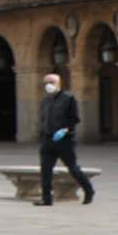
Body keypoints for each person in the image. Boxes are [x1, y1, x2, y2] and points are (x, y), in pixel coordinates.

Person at [36, 72, 95, 206]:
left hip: (64, 140)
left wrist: (65, 129)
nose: (48, 85)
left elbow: (75, 118)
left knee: (72, 167)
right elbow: (43, 119)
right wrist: (44, 133)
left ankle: (89, 190)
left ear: (59, 84)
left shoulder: (68, 98)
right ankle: (46, 198)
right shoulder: (45, 101)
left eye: (51, 82)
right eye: (45, 83)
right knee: (45, 169)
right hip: (48, 139)